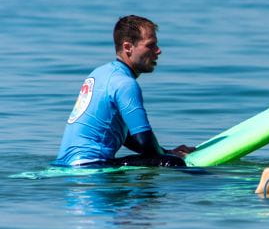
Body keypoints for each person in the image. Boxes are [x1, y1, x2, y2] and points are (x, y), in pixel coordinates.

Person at [53, 15, 194, 167]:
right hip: (91, 165)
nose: (158, 51)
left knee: (162, 158)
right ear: (128, 47)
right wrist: (170, 157)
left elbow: (125, 136)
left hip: (67, 163)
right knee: (173, 163)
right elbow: (145, 141)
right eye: (150, 45)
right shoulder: (125, 84)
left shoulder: (100, 73)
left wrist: (166, 151)